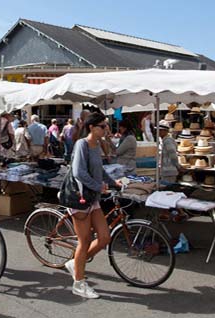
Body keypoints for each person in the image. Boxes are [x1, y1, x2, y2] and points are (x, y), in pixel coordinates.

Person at [65, 112, 121, 299]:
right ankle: (78, 283)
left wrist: (113, 182)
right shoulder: (82, 144)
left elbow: (100, 170)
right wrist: (98, 186)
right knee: (85, 241)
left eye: (106, 126)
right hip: (80, 198)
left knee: (104, 237)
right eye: (102, 126)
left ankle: (76, 263)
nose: (106, 129)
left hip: (92, 198)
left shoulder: (96, 145)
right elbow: (78, 172)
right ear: (92, 127)